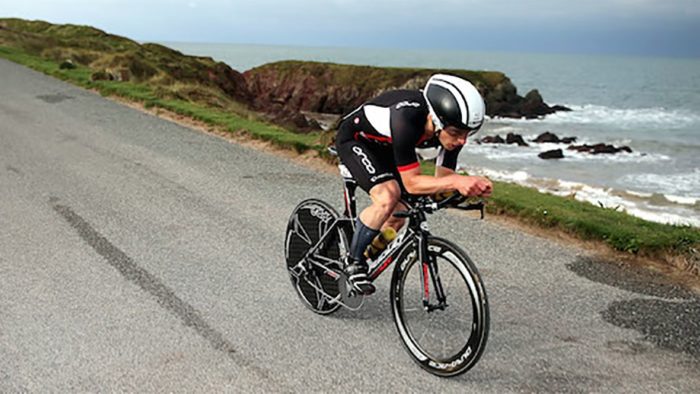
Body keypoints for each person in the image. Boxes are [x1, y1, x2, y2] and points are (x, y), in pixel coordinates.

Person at [335, 74, 493, 295]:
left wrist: (465, 190)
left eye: (468, 134)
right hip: (355, 140)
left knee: (399, 214)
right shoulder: (406, 117)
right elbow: (412, 184)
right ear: (436, 121)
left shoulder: (452, 129)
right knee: (388, 196)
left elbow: (442, 182)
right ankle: (353, 264)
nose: (461, 141)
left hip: (388, 146)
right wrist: (458, 181)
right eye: (456, 134)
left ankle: (366, 253)